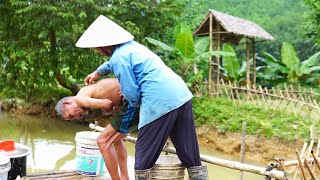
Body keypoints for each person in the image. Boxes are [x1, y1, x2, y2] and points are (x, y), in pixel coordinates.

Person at [76, 15, 208, 180]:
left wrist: (131, 103)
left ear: (103, 46)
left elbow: (132, 94)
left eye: (95, 47)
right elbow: (114, 62)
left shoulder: (118, 58)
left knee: (143, 160)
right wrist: (98, 71)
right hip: (180, 95)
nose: (95, 50)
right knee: (189, 153)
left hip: (158, 102)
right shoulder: (132, 47)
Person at [55, 78, 139, 180]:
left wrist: (107, 111)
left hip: (132, 100)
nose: (76, 117)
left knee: (102, 141)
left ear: (67, 103)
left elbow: (107, 104)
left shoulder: (79, 98)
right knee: (116, 139)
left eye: (71, 116)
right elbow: (112, 101)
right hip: (130, 99)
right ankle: (125, 177)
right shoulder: (86, 93)